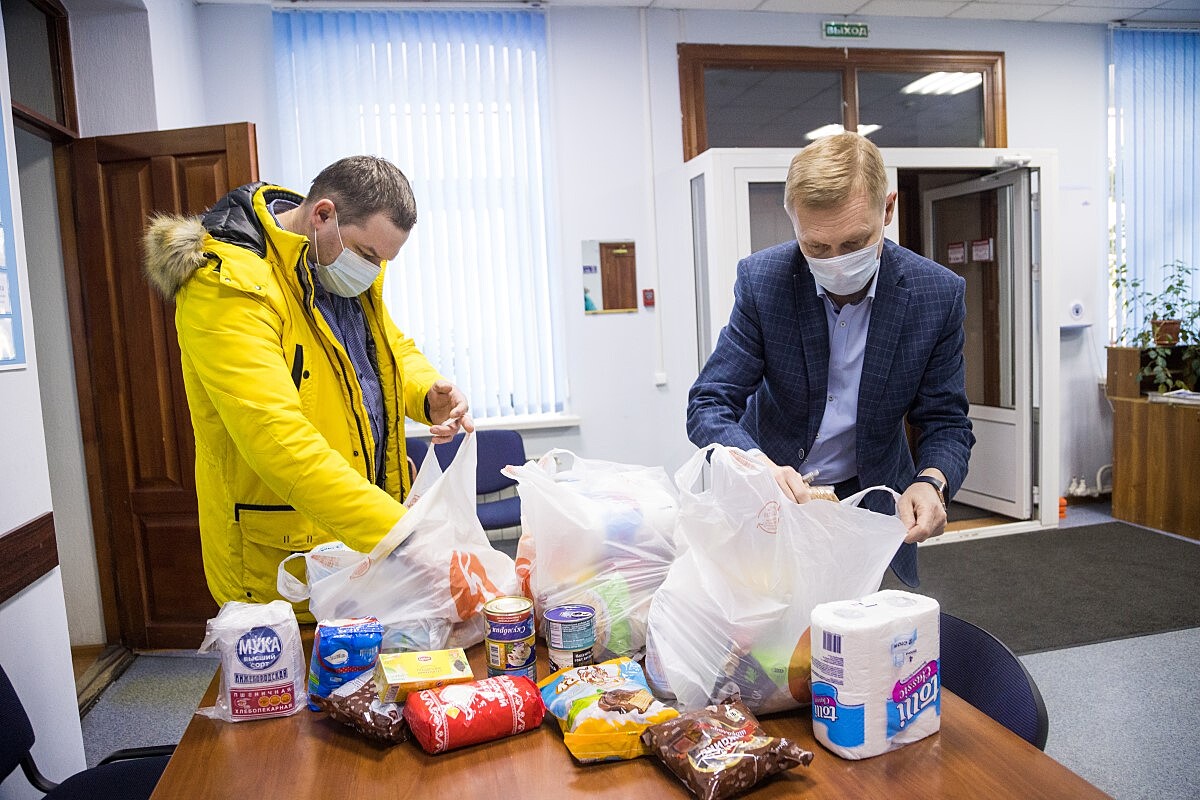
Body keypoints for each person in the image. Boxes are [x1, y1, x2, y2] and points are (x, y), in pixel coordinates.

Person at [143, 155, 472, 616]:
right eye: (369, 255)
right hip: (286, 567)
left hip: (357, 544)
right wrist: (402, 534)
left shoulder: (332, 260)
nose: (373, 269)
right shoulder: (229, 287)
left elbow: (385, 347)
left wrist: (425, 392)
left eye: (383, 260)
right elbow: (280, 442)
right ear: (322, 215)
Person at [686, 132, 975, 586]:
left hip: (870, 506)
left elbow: (947, 421)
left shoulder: (935, 295)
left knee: (858, 625)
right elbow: (709, 403)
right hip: (771, 501)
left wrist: (931, 481)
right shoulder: (765, 282)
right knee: (765, 623)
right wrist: (757, 466)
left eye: (855, 243)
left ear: (888, 210)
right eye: (817, 247)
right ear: (795, 223)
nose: (836, 262)